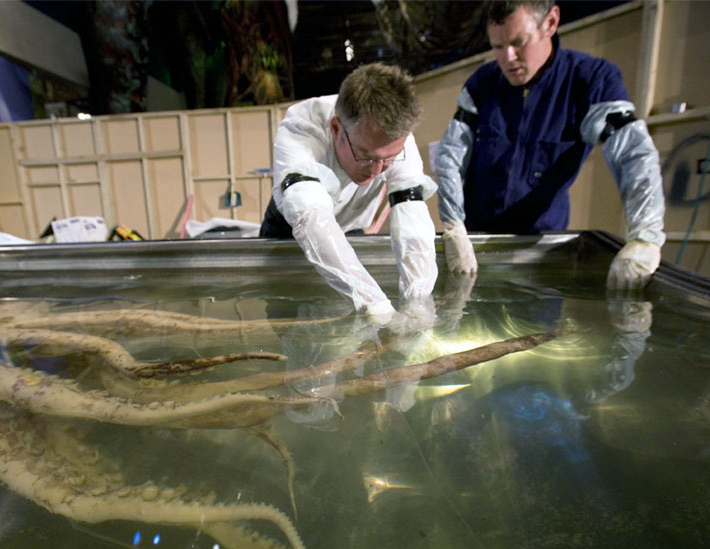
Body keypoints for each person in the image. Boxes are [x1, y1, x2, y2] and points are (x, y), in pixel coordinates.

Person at [436, 0, 666, 290]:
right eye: (497, 47)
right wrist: (453, 225)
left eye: (519, 42)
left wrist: (645, 235)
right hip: (475, 247)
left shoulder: (591, 82)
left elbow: (634, 155)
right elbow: (450, 157)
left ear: (551, 22)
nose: (508, 58)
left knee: (539, 334)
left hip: (542, 255)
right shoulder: (482, 84)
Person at [260, 63, 438, 321]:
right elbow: (312, 220)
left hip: (350, 226)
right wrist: (376, 305)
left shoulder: (398, 139)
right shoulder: (301, 127)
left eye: (388, 159)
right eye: (366, 156)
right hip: (289, 228)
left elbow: (413, 225)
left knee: (346, 319)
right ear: (336, 128)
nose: (377, 171)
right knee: (286, 312)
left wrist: (417, 304)